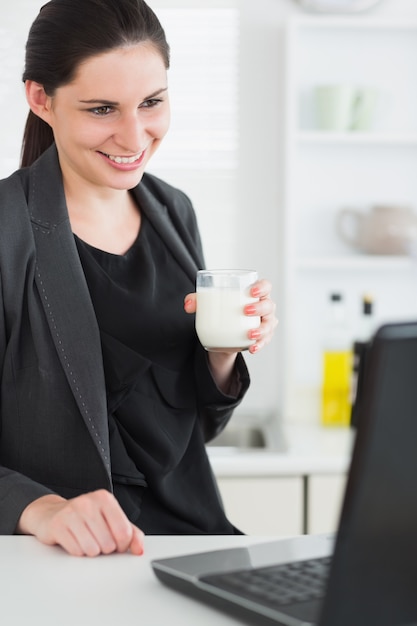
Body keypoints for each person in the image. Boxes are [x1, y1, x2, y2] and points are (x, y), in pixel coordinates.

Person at [0, 0, 278, 557]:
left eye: (151, 102)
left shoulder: (174, 212)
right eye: (102, 109)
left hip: (197, 545)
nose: (134, 138)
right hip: (74, 561)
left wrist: (222, 353)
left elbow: (190, 431)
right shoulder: (8, 229)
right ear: (41, 99)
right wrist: (40, 507)